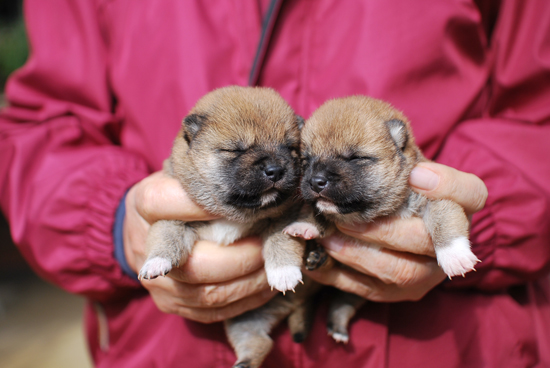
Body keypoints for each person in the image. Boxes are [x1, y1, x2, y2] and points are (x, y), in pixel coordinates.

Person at [1, 0, 549, 367]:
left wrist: (483, 218)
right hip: (174, 345)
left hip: (445, 343)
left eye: (289, 149)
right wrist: (114, 222)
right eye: (238, 153)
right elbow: (40, 125)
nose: (274, 167)